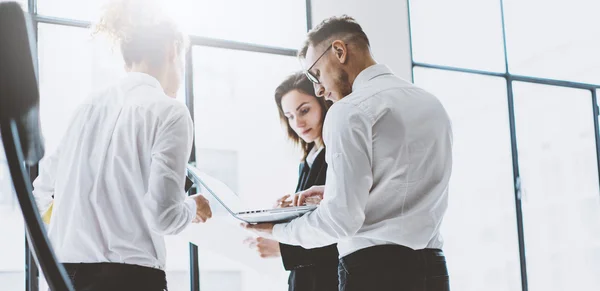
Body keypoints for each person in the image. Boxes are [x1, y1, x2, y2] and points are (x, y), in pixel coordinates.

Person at [244, 15, 453, 291]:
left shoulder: (348, 111)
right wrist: (330, 191)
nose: (319, 88)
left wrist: (276, 230)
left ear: (340, 51)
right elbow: (399, 182)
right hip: (434, 269)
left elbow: (340, 220)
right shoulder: (431, 103)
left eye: (316, 74)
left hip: (374, 274)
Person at [31, 0, 212, 290]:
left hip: (64, 276)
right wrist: (193, 206)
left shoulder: (86, 108)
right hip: (130, 279)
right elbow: (164, 217)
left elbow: (40, 193)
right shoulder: (170, 111)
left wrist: (76, 225)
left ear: (127, 61)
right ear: (171, 51)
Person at [244, 72, 338, 291]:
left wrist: (281, 248)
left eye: (304, 110)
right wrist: (285, 213)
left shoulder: (336, 155)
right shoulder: (307, 161)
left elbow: (338, 232)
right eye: (290, 116)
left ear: (323, 104)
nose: (298, 123)